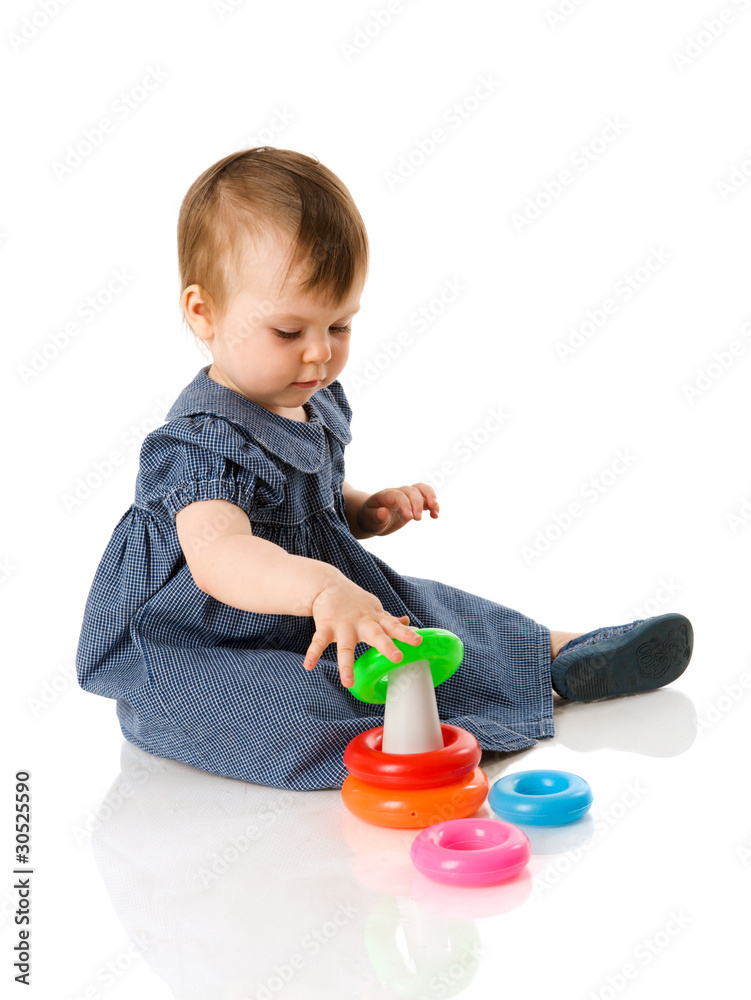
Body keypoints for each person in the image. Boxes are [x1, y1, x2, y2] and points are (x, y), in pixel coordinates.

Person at [74, 147, 694, 791]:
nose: (319, 353)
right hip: (209, 644)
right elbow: (220, 556)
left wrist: (362, 508)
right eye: (289, 332)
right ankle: (397, 736)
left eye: (340, 325)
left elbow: (302, 497)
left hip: (326, 607)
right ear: (203, 312)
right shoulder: (199, 445)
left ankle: (561, 653)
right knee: (289, 705)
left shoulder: (306, 400)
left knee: (425, 612)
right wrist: (321, 590)